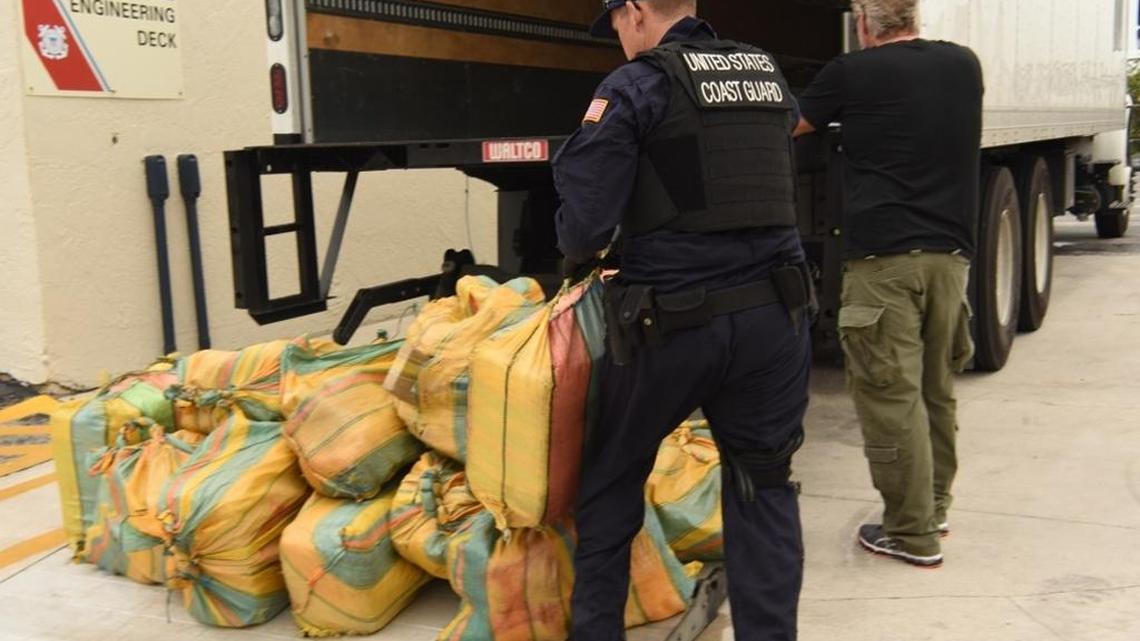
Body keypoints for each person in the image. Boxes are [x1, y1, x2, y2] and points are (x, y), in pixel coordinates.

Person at [552, 1, 812, 639]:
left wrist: (571, 249)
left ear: (636, 11)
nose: (617, 37)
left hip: (670, 325)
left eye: (615, 22)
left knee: (610, 484)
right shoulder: (764, 72)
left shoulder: (635, 84)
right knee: (763, 485)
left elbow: (585, 226)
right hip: (774, 319)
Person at [794, 0, 983, 568]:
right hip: (950, 261)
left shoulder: (853, 72)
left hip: (884, 264)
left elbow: (792, 124)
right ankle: (934, 508)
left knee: (888, 398)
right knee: (934, 390)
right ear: (915, 17)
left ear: (863, 24)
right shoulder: (964, 65)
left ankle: (910, 532)